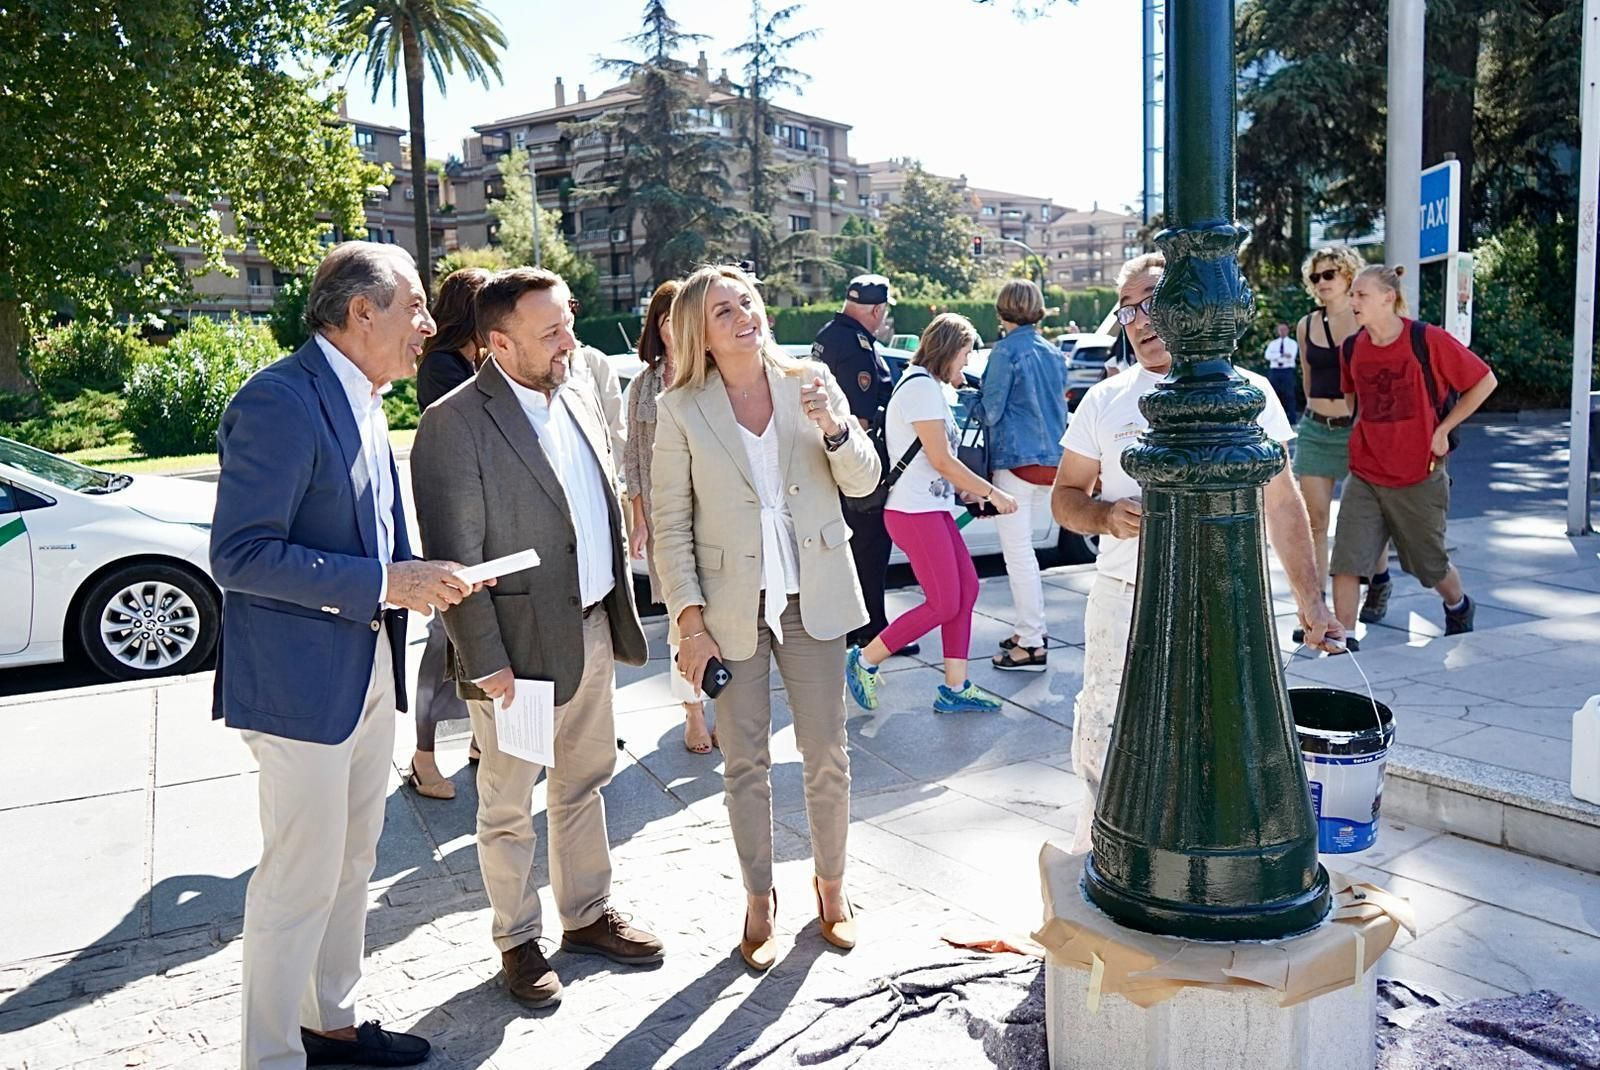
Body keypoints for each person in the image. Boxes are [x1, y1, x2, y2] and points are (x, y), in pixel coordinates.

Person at [211, 241, 481, 1070]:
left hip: (366, 672)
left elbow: (371, 538)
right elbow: (241, 555)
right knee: (297, 877)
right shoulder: (280, 402)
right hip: (299, 687)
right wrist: (386, 582)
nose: (430, 326)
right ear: (361, 311)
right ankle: (272, 1057)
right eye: (415, 307)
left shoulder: (366, 399)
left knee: (354, 857)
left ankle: (329, 1024)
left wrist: (422, 577)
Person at [409, 267, 664, 1011]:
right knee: (509, 805)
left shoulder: (578, 389)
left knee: (584, 783)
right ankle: (517, 940)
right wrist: (487, 664)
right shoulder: (453, 424)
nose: (569, 340)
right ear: (498, 342)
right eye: (550, 331)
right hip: (516, 657)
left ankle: (585, 916)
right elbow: (454, 558)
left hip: (588, 629)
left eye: (568, 322)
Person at [1053, 252, 1343, 851]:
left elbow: (1284, 505)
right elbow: (1064, 497)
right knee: (1106, 730)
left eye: (1155, 302)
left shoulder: (1249, 394)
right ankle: (1097, 860)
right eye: (1128, 309)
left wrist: (1312, 607)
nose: (1140, 320)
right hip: (1122, 599)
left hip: (1222, 599)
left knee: (1217, 733)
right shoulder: (1104, 400)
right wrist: (1105, 515)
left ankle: (1201, 862)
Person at [652, 264, 879, 971]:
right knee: (742, 761)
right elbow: (670, 524)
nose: (743, 315)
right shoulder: (681, 408)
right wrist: (690, 622)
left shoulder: (809, 380)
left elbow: (865, 481)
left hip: (814, 594)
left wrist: (834, 428)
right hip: (730, 607)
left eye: (746, 302)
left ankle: (832, 889)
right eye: (724, 311)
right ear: (701, 333)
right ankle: (759, 900)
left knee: (827, 753)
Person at [844, 314, 1016, 713]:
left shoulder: (930, 388)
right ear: (950, 349)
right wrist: (991, 492)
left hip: (929, 507)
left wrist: (967, 495)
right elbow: (940, 459)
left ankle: (955, 688)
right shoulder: (921, 387)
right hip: (913, 512)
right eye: (967, 353)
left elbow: (937, 461)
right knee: (943, 602)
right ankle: (866, 659)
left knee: (966, 591)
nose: (968, 362)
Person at [1330, 264, 1498, 642]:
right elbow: (1352, 397)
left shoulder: (1427, 340)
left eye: (1361, 294)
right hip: (1365, 471)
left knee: (1429, 565)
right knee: (1347, 559)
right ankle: (1342, 638)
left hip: (1419, 473)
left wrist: (1444, 428)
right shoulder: (1352, 347)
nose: (1352, 301)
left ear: (1389, 298)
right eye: (1352, 294)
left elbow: (1484, 381)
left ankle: (1458, 605)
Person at [407, 266, 492, 800]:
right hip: (453, 516)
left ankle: (481, 743)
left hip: (482, 516)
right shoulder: (441, 366)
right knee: (446, 639)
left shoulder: (468, 361)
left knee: (478, 634)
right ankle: (422, 755)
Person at [623, 279, 716, 754]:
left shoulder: (713, 375)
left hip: (717, 516)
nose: (674, 330)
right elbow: (634, 461)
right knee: (686, 620)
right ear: (656, 328)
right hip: (667, 520)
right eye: (665, 321)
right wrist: (638, 520)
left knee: (724, 614)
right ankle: (694, 712)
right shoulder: (644, 386)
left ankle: (724, 703)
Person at [811, 274, 918, 656]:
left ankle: (859, 628)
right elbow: (860, 420)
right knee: (870, 552)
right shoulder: (857, 348)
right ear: (877, 309)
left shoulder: (828, 334)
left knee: (853, 552)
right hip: (857, 468)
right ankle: (871, 632)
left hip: (831, 465)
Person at [1293, 245, 1394, 635]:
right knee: (1314, 522)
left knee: (1363, 521)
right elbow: (1306, 375)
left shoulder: (1362, 321)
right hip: (1317, 429)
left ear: (1348, 275)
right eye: (1316, 277)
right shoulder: (1306, 324)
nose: (1321, 283)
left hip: (1357, 430)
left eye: (1329, 275)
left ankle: (1380, 580)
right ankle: (1316, 607)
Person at [978, 280, 1068, 672]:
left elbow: (991, 411)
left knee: (1018, 556)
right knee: (1026, 553)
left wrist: (971, 396)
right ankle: (1027, 629)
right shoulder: (1054, 352)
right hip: (1051, 463)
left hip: (1015, 463)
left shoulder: (1004, 352)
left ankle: (1031, 643)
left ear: (1002, 311)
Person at [1264, 321, 1299, 423]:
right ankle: (1274, 419)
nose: (1282, 331)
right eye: (1280, 329)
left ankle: (1292, 420)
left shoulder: (1292, 343)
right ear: (1278, 331)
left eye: (1284, 329)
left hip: (1287, 371)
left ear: (1288, 330)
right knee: (1274, 394)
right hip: (1275, 371)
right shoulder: (1273, 343)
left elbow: (1291, 356)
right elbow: (1267, 356)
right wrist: (1282, 355)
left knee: (1289, 394)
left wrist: (1275, 356)